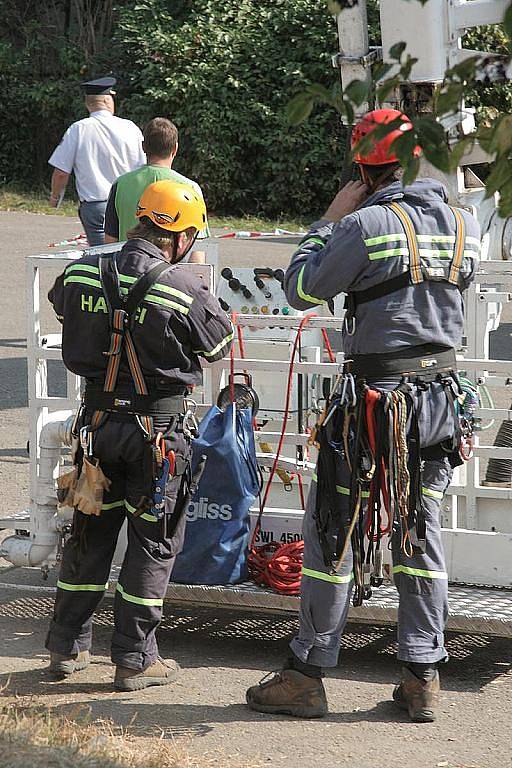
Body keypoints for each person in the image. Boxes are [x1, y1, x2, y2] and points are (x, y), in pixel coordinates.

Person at [246, 109, 480, 722]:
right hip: (436, 404)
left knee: (332, 532)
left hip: (374, 405)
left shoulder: (366, 223)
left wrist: (329, 221)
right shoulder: (463, 225)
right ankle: (422, 675)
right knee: (418, 532)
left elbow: (299, 291)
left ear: (364, 167)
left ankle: (307, 672)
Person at [45, 180, 233, 690]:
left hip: (96, 430)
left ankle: (66, 647)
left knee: (88, 534)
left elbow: (60, 302)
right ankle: (134, 659)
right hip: (159, 435)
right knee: (152, 544)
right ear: (184, 234)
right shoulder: (183, 286)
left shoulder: (84, 268)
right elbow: (219, 346)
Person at [48, 76, 146, 246]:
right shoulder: (131, 127)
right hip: (130, 202)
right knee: (132, 254)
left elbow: (61, 173)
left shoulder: (78, 129)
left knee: (103, 258)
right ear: (109, 101)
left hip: (97, 206)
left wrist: (55, 199)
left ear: (88, 104)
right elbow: (144, 167)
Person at [104, 117, 209, 266]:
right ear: (175, 148)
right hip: (170, 277)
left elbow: (110, 242)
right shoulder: (191, 188)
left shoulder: (120, 184)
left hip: (127, 269)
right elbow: (197, 252)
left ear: (143, 147)